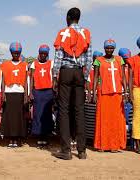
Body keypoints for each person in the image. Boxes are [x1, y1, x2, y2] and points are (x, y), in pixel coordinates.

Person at [52, 7, 92, 160]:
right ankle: (82, 151)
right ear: (79, 18)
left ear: (68, 17)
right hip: (80, 72)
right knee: (79, 110)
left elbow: (58, 56)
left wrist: (55, 75)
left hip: (66, 72)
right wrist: (85, 75)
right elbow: (89, 58)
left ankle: (66, 150)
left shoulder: (63, 32)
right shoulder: (86, 33)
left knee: (64, 110)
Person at [93, 39, 127, 152]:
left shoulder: (119, 59)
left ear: (114, 49)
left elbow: (123, 77)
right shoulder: (98, 60)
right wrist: (93, 93)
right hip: (103, 93)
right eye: (107, 48)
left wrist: (126, 92)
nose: (109, 50)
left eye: (111, 48)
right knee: (103, 119)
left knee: (115, 120)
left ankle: (114, 145)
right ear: (104, 48)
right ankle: (102, 144)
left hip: (116, 93)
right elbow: (96, 77)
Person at [0, 42, 28, 148]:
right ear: (11, 53)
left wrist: (26, 95)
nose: (16, 54)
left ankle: (17, 139)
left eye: (18, 53)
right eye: (14, 53)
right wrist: (3, 93)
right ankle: (10, 139)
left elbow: (26, 81)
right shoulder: (5, 64)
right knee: (9, 117)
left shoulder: (24, 65)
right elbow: (2, 80)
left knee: (18, 117)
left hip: (19, 92)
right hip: (9, 92)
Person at [30, 44, 54, 146]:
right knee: (38, 114)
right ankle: (39, 136)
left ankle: (46, 136)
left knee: (47, 114)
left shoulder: (51, 63)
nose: (43, 55)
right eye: (41, 53)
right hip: (38, 92)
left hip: (48, 91)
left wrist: (54, 90)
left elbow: (54, 77)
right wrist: (30, 92)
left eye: (45, 54)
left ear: (47, 54)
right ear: (39, 54)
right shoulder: (34, 64)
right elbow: (31, 78)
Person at [128, 37, 140, 153]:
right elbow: (130, 77)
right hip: (137, 90)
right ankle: (137, 144)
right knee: (137, 116)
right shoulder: (133, 60)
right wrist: (130, 93)